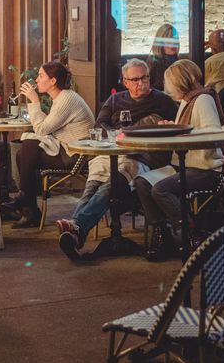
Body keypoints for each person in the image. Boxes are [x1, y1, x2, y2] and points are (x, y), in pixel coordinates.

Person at [52, 59, 175, 257]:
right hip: (112, 152)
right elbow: (100, 125)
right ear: (125, 81)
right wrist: (114, 135)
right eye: (134, 80)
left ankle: (78, 227)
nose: (140, 83)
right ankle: (76, 232)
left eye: (144, 78)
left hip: (143, 157)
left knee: (114, 181)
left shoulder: (163, 101)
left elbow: (176, 128)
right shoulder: (116, 100)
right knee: (94, 183)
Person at [133, 59, 224, 260]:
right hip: (183, 165)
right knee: (141, 182)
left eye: (170, 83)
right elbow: (186, 128)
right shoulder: (186, 101)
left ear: (180, 82)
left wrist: (182, 132)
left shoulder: (202, 100)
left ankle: (192, 234)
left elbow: (214, 133)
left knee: (161, 189)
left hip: (205, 169)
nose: (167, 88)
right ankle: (162, 234)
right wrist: (172, 126)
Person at [0, 62, 94, 229]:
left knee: (28, 146)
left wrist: (34, 101)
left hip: (76, 154)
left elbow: (42, 129)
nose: (37, 80)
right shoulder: (62, 97)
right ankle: (28, 207)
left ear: (53, 81)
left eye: (41, 76)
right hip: (65, 148)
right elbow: (45, 127)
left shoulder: (67, 99)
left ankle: (27, 205)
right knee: (24, 152)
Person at [146, 23, 180, 91]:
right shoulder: (154, 62)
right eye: (168, 41)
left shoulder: (180, 61)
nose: (173, 44)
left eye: (175, 40)